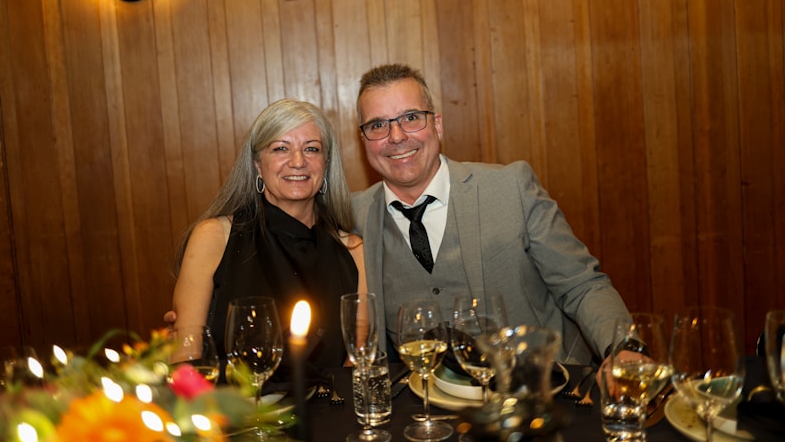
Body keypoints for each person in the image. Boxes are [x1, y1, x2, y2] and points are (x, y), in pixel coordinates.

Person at [352, 63, 631, 365]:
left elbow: (581, 285)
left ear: (438, 126)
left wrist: (624, 348)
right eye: (377, 125)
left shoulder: (511, 188)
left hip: (544, 389)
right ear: (364, 141)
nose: (396, 136)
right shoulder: (353, 216)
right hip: (423, 404)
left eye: (411, 118)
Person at [169, 99, 365, 380]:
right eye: (280, 148)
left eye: (311, 149)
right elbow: (185, 357)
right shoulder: (214, 237)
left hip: (329, 416)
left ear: (326, 164)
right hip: (235, 415)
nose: (298, 161)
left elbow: (356, 362)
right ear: (257, 165)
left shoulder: (353, 250)